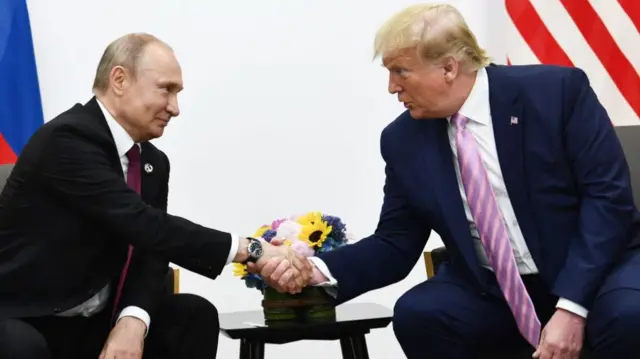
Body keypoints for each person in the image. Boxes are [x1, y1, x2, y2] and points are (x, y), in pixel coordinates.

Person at [250, 4, 640, 359]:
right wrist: (317, 269)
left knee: (629, 316)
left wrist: (572, 306)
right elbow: (396, 242)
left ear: (449, 68)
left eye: (400, 71)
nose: (392, 87)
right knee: (422, 314)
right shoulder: (403, 139)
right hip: (494, 288)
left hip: (594, 272)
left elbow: (609, 202)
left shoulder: (556, 93)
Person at [0, 33, 311, 359]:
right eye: (166, 89)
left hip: (89, 322)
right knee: (20, 347)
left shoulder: (151, 162)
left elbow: (151, 252)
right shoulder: (66, 140)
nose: (175, 108)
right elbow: (144, 224)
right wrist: (250, 250)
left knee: (192, 315)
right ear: (119, 79)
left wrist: (133, 320)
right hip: (22, 314)